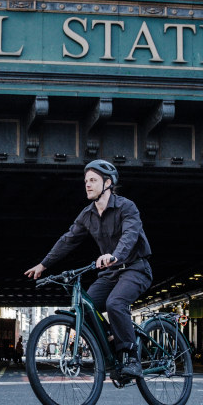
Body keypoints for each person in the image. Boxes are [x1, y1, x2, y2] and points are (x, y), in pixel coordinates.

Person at [25, 159, 153, 378]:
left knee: (115, 303)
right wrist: (43, 264)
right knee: (84, 309)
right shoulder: (87, 214)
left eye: (93, 180)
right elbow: (68, 240)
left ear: (108, 183)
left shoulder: (126, 206)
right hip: (111, 273)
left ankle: (132, 358)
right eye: (86, 181)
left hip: (135, 268)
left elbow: (130, 236)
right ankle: (112, 344)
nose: (87, 185)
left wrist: (114, 255)